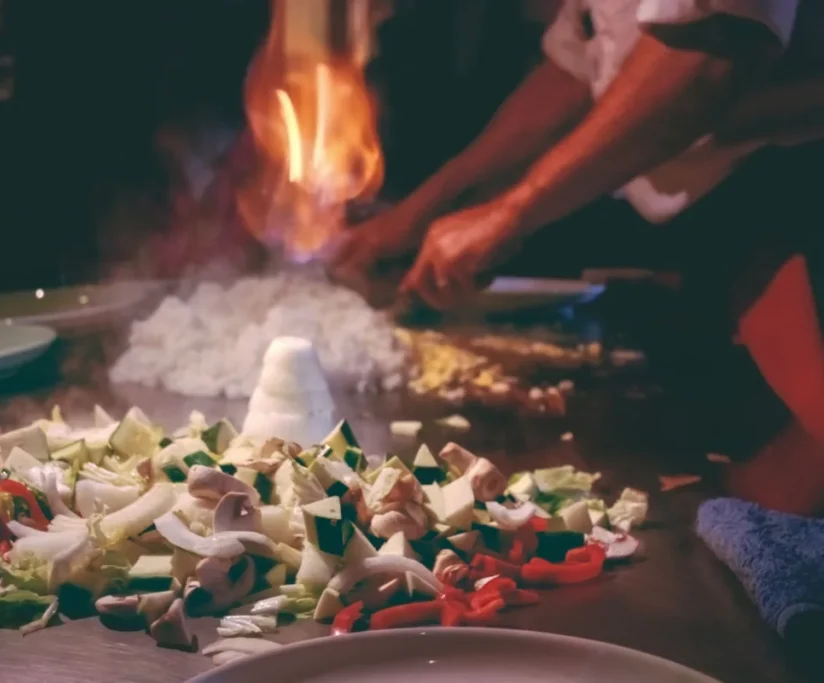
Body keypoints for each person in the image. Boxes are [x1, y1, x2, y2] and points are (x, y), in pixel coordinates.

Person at [331, 1, 824, 515]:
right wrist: (422, 211)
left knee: (788, 498)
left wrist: (512, 211)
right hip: (717, 215)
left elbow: (710, 52)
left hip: (799, 187)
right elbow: (576, 70)